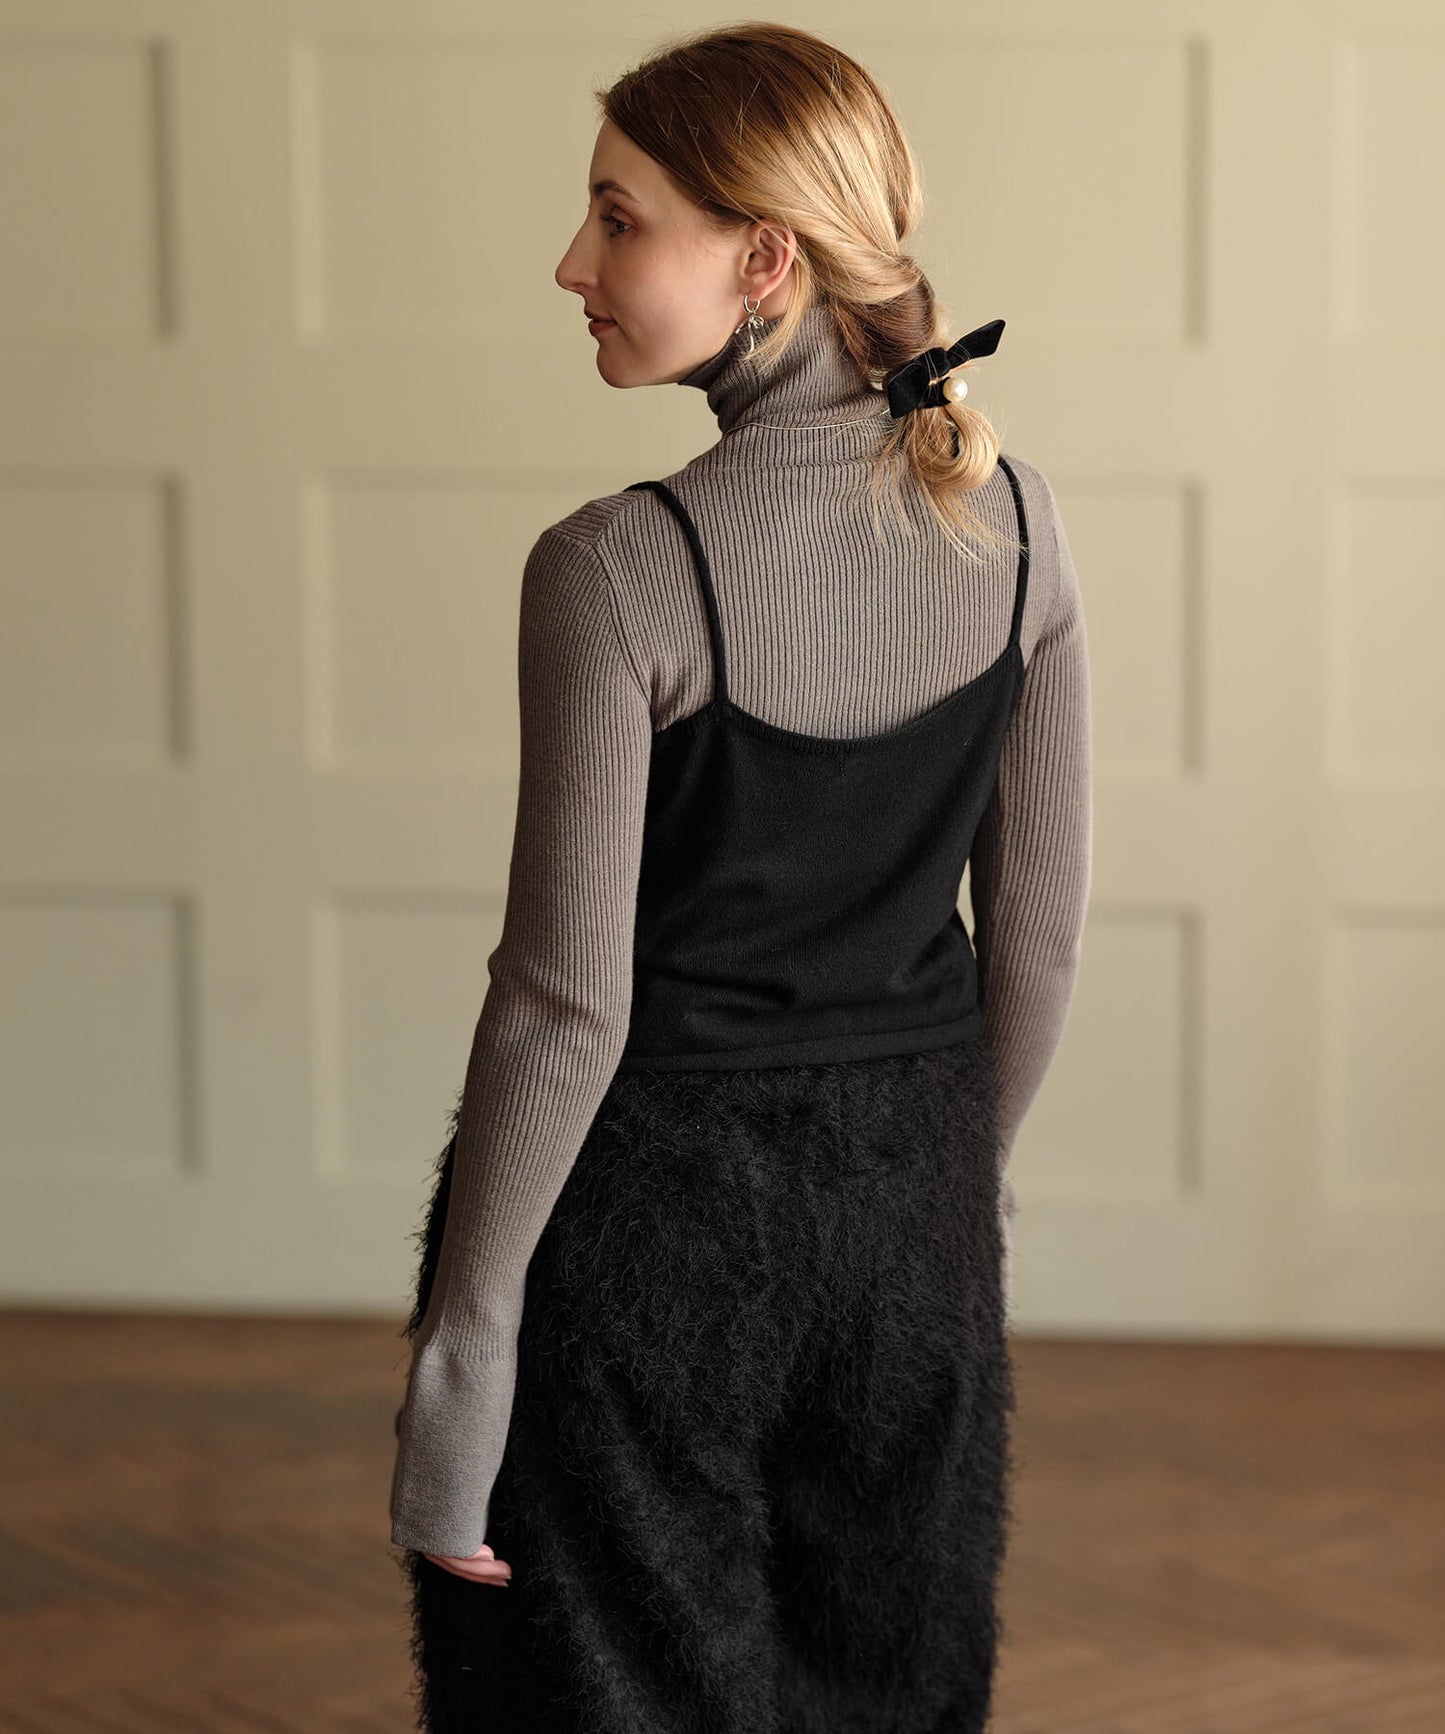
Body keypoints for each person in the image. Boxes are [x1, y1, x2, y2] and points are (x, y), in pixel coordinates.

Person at [388, 21, 1092, 1733]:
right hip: (911, 1218)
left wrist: (465, 1358)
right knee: (888, 1691)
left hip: (650, 1238)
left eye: (618, 218)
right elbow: (1038, 945)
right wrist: (948, 1199)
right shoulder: (1019, 525)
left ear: (765, 258)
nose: (573, 264)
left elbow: (564, 1006)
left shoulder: (617, 568)